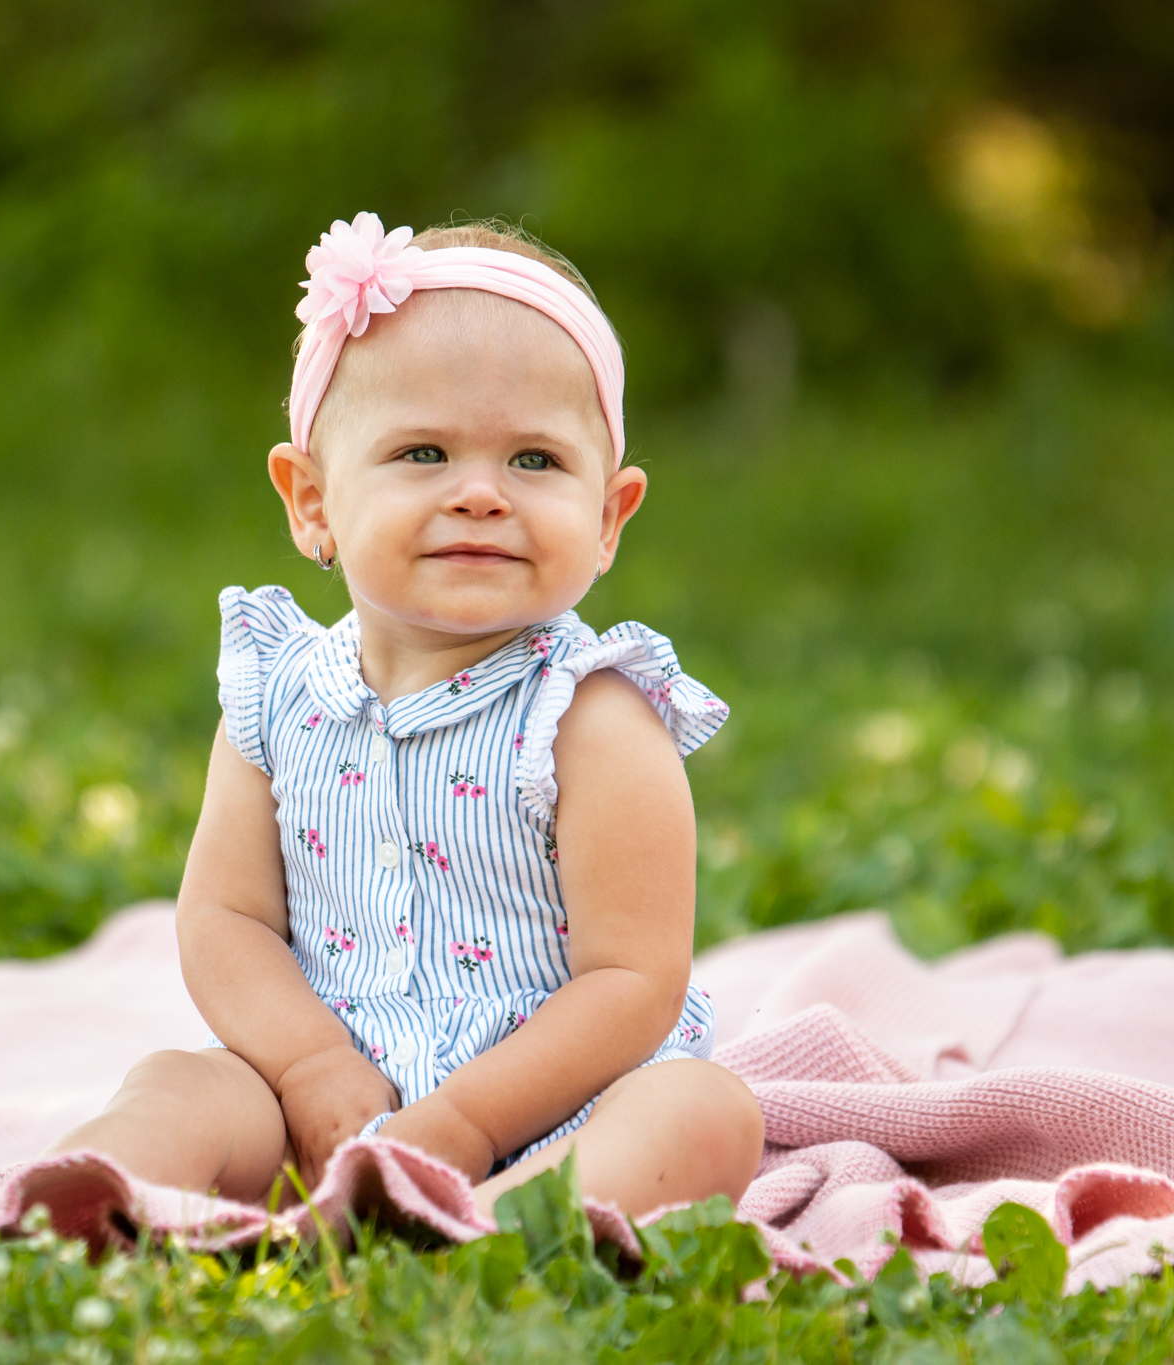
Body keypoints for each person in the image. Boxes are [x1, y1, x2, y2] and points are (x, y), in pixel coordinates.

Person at [42, 213, 764, 1224]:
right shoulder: (278, 693)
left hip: (556, 1104)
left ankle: (492, 1225)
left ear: (608, 516)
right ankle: (78, 1201)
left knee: (703, 1114)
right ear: (312, 501)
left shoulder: (591, 715)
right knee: (179, 1083)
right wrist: (305, 1065)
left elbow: (632, 977)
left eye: (535, 462)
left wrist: (465, 1124)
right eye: (422, 452)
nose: (478, 495)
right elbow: (227, 919)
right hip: (326, 1099)